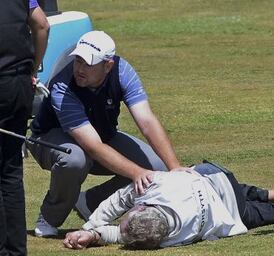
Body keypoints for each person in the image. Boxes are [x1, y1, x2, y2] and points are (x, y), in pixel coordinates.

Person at [27, 30, 190, 238]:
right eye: (78, 61)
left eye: (88, 63)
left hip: (101, 135)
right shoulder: (62, 86)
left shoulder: (123, 71)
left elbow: (147, 121)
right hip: (48, 139)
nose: (79, 69)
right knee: (75, 159)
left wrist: (174, 166)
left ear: (108, 65)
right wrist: (136, 173)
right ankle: (50, 217)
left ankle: (89, 203)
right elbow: (92, 146)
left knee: (155, 168)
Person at [62, 161, 274, 250]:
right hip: (214, 175)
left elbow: (120, 234)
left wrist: (93, 229)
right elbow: (122, 209)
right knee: (246, 192)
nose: (123, 217)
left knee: (256, 214)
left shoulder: (170, 239)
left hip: (227, 209)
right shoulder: (156, 188)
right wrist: (92, 230)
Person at [0, 0, 49, 255]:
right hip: (20, 84)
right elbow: (42, 24)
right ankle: (16, 250)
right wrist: (32, 68)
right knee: (10, 171)